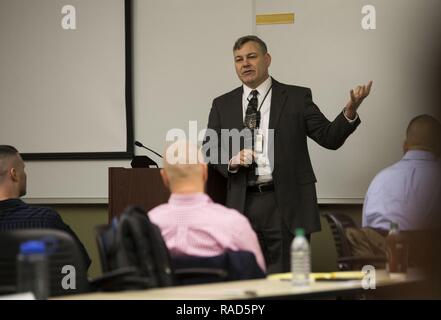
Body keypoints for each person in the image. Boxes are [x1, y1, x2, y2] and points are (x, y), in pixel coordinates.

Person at [204, 35, 372, 273]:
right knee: (245, 281)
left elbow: (329, 138)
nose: (245, 64)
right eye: (238, 59)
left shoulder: (296, 98)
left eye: (252, 57)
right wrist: (230, 162)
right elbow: (209, 149)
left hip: (285, 204)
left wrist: (350, 111)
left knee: (286, 282)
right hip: (242, 203)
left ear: (267, 59)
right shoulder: (222, 104)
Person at [147, 140, 266, 272]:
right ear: (204, 171)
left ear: (164, 177)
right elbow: (258, 274)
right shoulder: (234, 224)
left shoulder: (146, 226)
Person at [0, 145, 91, 269]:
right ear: (14, 174)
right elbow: (81, 262)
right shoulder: (45, 219)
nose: (25, 175)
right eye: (23, 169)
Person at [363, 114, 441, 231]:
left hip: (376, 248)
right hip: (424, 247)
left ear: (405, 146)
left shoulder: (380, 178)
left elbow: (366, 229)